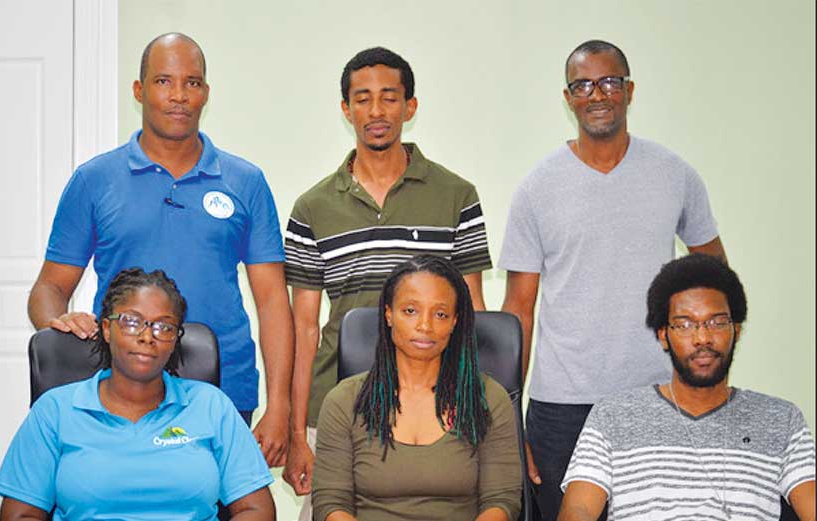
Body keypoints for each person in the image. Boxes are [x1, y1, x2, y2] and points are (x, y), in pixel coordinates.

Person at [26, 32, 294, 466]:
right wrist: (57, 321)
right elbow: (48, 288)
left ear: (206, 93)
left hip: (225, 391)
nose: (178, 96)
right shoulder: (94, 180)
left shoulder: (246, 181)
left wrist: (279, 406)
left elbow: (272, 302)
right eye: (164, 81)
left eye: (191, 83)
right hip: (119, 390)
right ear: (139, 90)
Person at [499, 39, 727, 519]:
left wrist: (706, 378)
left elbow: (716, 279)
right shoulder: (538, 187)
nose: (596, 94)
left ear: (629, 90)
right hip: (561, 406)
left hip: (657, 395)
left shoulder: (673, 174)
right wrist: (507, 418)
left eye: (608, 82)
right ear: (568, 98)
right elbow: (518, 309)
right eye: (582, 84)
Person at [283, 46, 493, 513]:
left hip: (438, 406)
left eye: (389, 98)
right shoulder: (312, 207)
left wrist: (475, 406)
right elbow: (303, 328)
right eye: (362, 99)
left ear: (410, 107)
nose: (376, 111)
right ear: (346, 109)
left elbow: (473, 309)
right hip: (334, 407)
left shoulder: (456, 195)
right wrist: (299, 434)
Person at [0, 268, 277, 520]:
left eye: (163, 326)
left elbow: (257, 509)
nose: (147, 336)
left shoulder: (211, 406)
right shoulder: (55, 410)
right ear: (106, 329)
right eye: (132, 321)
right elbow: (20, 514)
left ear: (175, 339)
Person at [558, 254, 816, 520]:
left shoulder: (780, 420)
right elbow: (579, 510)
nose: (702, 338)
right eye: (684, 325)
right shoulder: (613, 415)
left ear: (736, 330)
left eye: (717, 322)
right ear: (663, 335)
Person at [311, 255, 520, 520]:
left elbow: (501, 502)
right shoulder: (344, 400)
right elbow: (331, 503)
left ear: (455, 321)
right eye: (410, 311)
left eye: (440, 314)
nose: (425, 325)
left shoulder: (488, 398)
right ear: (388, 314)